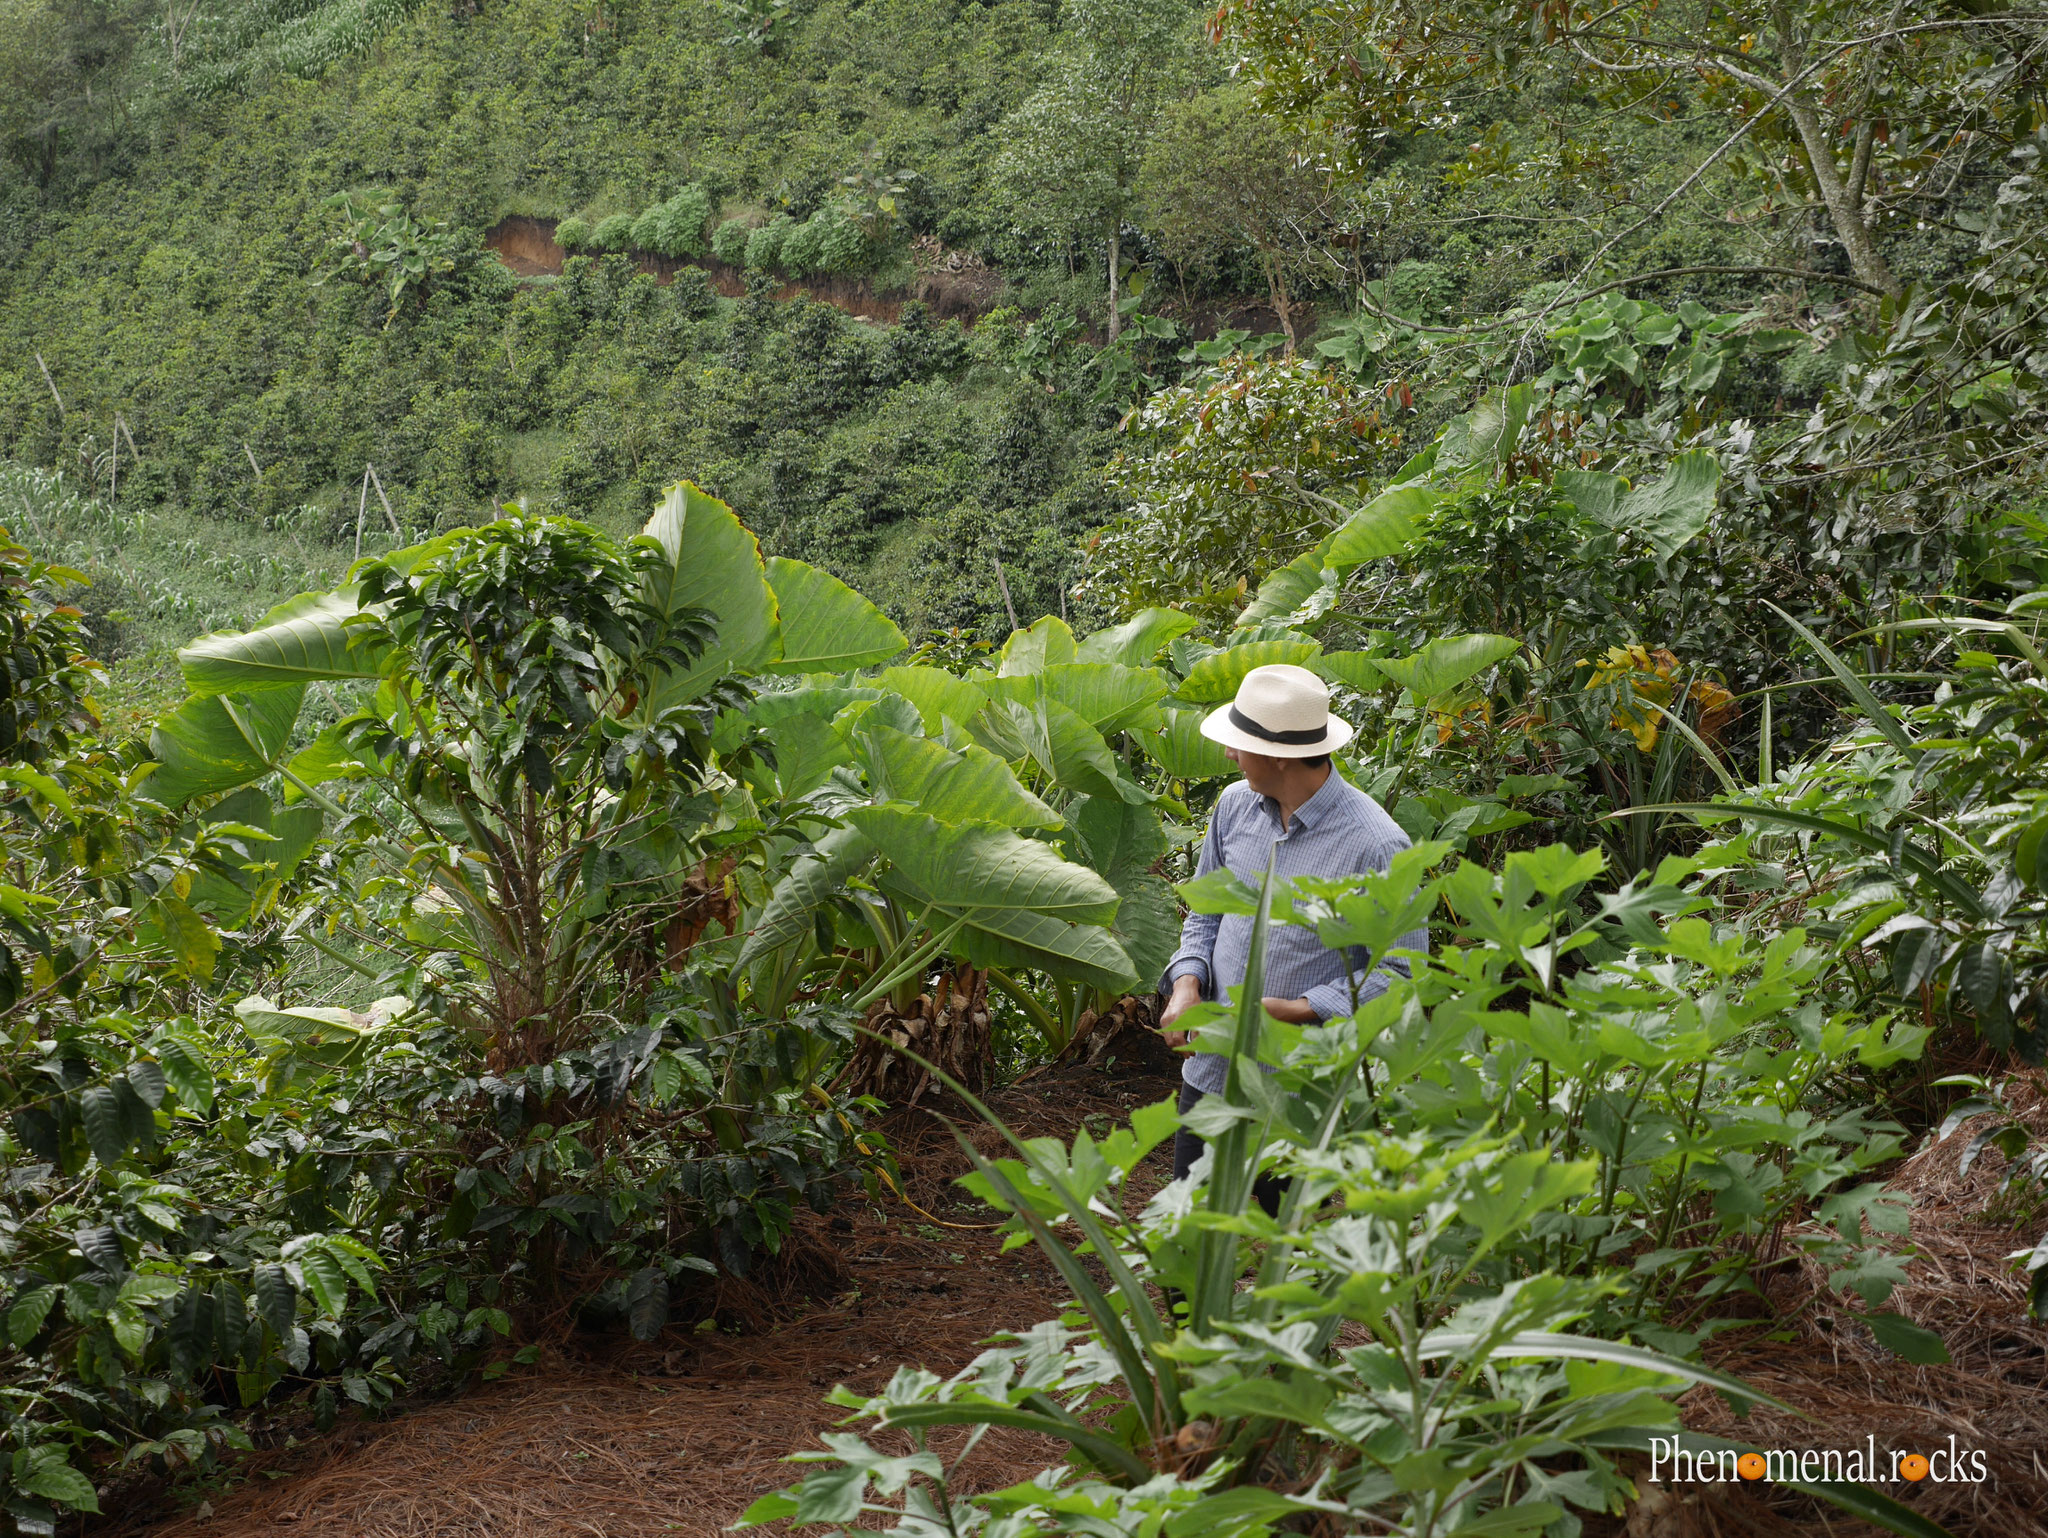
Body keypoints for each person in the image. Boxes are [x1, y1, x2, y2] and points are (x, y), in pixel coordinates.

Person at [1157, 663, 1426, 1208]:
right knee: (1186, 1243)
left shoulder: (1377, 845)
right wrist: (1187, 981)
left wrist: (1299, 1010)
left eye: (1239, 745)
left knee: (1293, 1256)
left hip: (1299, 1091)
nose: (1230, 755)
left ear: (1279, 755)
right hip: (1212, 1073)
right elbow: (1206, 916)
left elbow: (1402, 973)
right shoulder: (1234, 808)